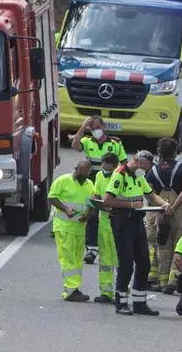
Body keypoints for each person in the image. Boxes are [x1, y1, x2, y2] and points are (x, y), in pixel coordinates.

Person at [103, 149, 171, 316]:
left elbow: (151, 196)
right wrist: (131, 205)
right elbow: (107, 200)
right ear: (136, 161)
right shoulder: (120, 174)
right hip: (122, 221)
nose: (145, 170)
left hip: (136, 220)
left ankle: (140, 303)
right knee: (126, 264)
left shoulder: (139, 177)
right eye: (143, 166)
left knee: (144, 262)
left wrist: (164, 204)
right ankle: (121, 303)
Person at [71, 116, 126, 264]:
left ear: (104, 127)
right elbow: (75, 145)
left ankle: (109, 248)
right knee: (92, 215)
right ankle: (91, 249)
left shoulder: (115, 143)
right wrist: (83, 126)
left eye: (98, 127)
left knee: (109, 216)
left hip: (109, 183)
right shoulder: (87, 141)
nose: (96, 131)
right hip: (92, 182)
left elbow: (124, 164)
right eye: (93, 128)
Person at [144, 137, 182, 293]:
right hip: (179, 212)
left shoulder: (152, 172)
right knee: (180, 245)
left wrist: (163, 207)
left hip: (160, 212)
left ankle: (163, 282)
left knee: (163, 246)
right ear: (175, 151)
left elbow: (149, 193)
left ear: (159, 152)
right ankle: (174, 280)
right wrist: (173, 206)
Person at [48, 160, 96, 302]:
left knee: (77, 260)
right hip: (64, 226)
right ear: (75, 169)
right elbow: (52, 197)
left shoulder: (89, 184)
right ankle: (71, 290)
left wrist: (88, 215)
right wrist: (65, 209)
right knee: (68, 259)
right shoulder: (63, 180)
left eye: (87, 173)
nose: (84, 176)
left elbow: (92, 204)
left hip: (79, 229)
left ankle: (75, 288)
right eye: (82, 172)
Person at [90, 152, 122, 304]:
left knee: (120, 260)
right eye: (103, 167)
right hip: (104, 223)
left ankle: (121, 292)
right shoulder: (99, 175)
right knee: (105, 261)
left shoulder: (121, 177)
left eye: (108, 168)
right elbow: (97, 194)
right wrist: (96, 201)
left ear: (115, 167)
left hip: (118, 224)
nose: (105, 171)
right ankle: (106, 292)